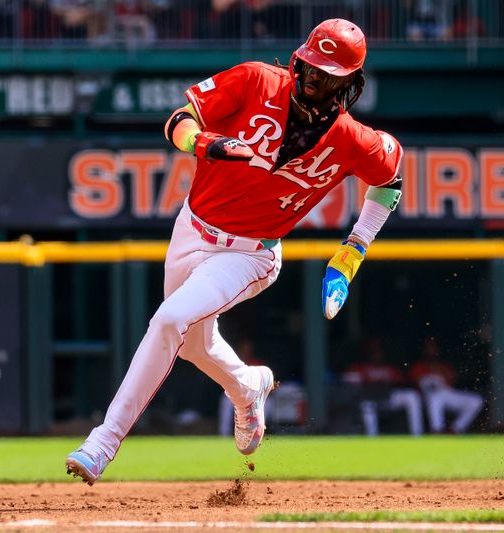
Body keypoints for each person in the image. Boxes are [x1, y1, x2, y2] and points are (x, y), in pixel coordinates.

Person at [66, 17, 404, 485]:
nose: (311, 79)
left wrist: (351, 254)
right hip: (192, 228)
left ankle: (103, 441)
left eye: (327, 75)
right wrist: (203, 143)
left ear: (351, 83)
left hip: (251, 253)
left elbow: (390, 183)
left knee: (168, 320)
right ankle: (248, 387)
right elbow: (178, 121)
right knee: (192, 346)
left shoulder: (353, 140)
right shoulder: (255, 79)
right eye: (308, 66)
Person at [343, 338, 423, 436]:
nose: (377, 354)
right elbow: (348, 381)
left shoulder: (388, 368)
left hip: (388, 399)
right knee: (367, 407)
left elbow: (403, 380)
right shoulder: (360, 367)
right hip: (370, 401)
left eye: (379, 351)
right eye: (374, 351)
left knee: (412, 396)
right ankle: (373, 439)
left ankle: (417, 434)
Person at [409, 337, 483, 434]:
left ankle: (455, 429)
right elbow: (415, 384)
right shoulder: (418, 366)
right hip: (428, 397)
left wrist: (437, 368)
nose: (431, 350)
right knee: (435, 397)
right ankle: (437, 431)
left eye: (433, 347)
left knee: (476, 400)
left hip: (447, 395)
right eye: (429, 348)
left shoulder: (444, 366)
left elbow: (452, 380)